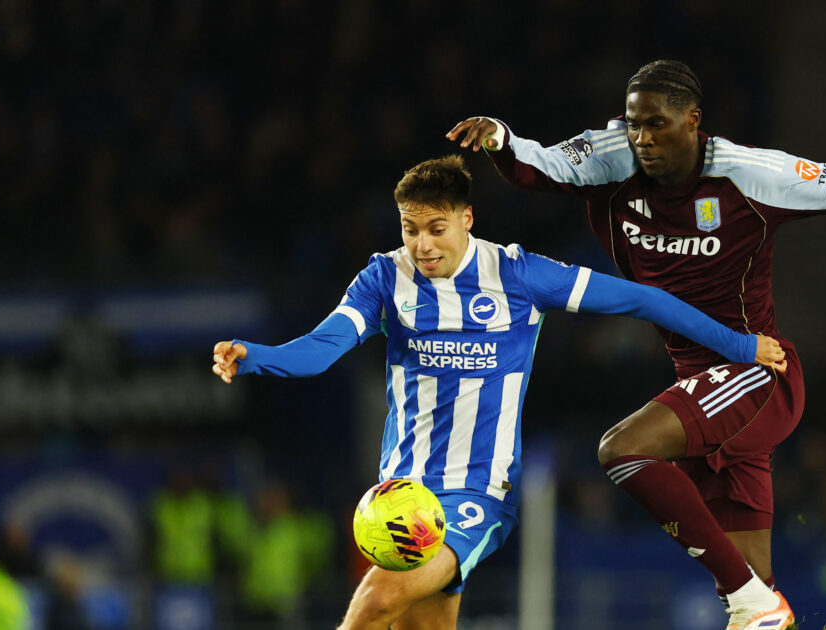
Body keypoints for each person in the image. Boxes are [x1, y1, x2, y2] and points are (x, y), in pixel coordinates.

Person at [211, 155, 788, 630]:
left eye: (436, 229)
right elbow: (322, 347)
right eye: (410, 229)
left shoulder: (519, 275)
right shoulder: (384, 278)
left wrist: (737, 344)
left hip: (477, 493)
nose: (422, 245)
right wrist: (256, 356)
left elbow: (642, 299)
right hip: (399, 495)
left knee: (379, 597)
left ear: (466, 219)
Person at [447, 59, 826, 629]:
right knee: (755, 604)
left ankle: (752, 599)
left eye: (657, 124)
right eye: (634, 124)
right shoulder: (611, 155)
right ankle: (756, 602)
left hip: (757, 374)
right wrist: (499, 137)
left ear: (693, 121)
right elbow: (538, 166)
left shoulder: (746, 173)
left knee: (622, 449)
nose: (642, 139)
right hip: (702, 384)